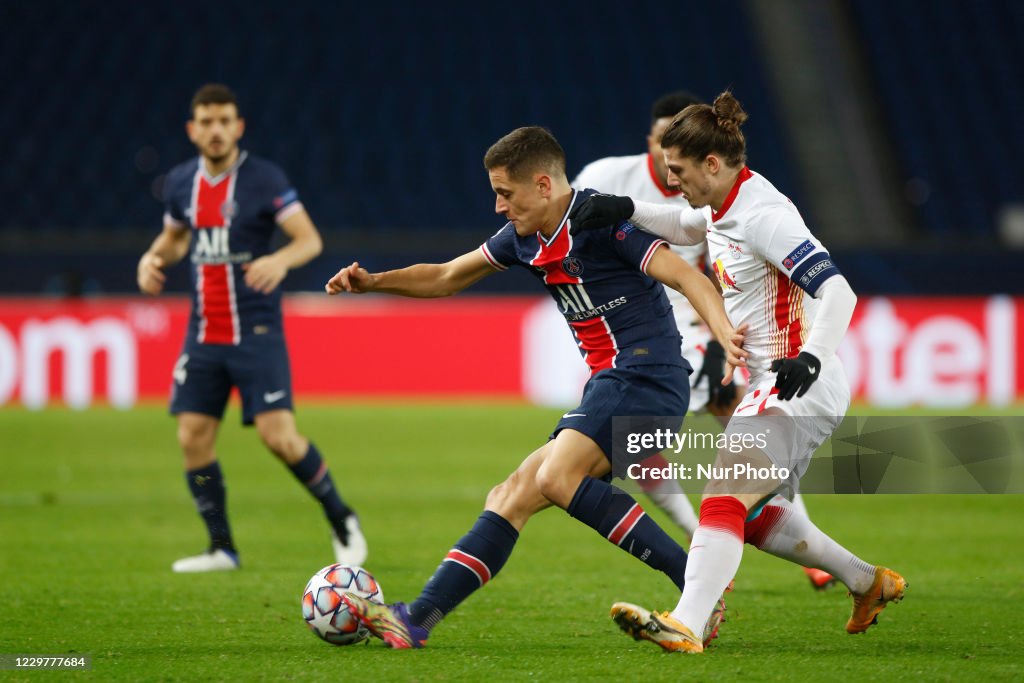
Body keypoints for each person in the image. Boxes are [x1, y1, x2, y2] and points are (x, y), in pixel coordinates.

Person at [324, 126, 747, 648]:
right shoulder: (526, 237)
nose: (499, 206)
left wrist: (724, 334)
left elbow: (687, 276)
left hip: (647, 377)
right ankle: (415, 620)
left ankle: (695, 586)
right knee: (510, 495)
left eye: (506, 192)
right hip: (612, 385)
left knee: (556, 475)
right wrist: (375, 282)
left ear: (544, 185)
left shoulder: (600, 222)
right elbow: (447, 276)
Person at [569, 92, 905, 653]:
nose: (670, 180)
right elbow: (686, 223)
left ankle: (687, 622)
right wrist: (626, 210)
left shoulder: (764, 216)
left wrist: (812, 357)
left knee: (721, 494)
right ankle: (867, 581)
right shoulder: (728, 203)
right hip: (772, 382)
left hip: (799, 382)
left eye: (677, 170)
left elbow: (838, 291)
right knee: (753, 517)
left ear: (712, 164)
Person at [573, 90, 836, 591]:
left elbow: (713, 253)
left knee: (730, 418)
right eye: (665, 147)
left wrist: (719, 332)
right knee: (635, 439)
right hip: (632, 325)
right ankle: (708, 536)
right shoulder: (609, 176)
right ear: (652, 139)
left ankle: (777, 541)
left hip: (697, 323)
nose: (673, 174)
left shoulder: (725, 196)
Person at [137, 83, 366, 573]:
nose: (216, 130)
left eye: (224, 121)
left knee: (278, 437)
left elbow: (308, 240)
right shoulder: (181, 183)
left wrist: (279, 261)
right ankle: (222, 548)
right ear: (192, 129)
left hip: (255, 331)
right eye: (206, 121)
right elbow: (176, 239)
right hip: (203, 333)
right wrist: (152, 258)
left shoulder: (263, 179)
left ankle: (342, 517)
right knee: (191, 436)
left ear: (238, 127)